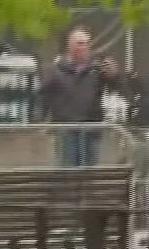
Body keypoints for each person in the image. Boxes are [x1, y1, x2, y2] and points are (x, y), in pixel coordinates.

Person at [36, 28, 122, 168]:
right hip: (66, 129)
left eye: (87, 43)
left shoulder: (96, 70)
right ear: (70, 46)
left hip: (91, 127)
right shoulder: (57, 70)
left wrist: (114, 76)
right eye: (80, 43)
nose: (84, 47)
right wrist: (41, 119)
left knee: (90, 169)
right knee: (69, 169)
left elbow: (115, 88)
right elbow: (43, 94)